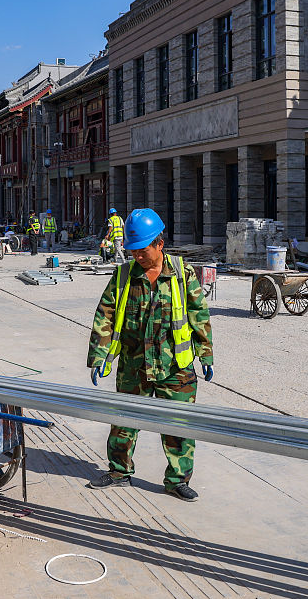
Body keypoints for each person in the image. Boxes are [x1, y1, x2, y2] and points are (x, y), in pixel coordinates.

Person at [86, 208, 213, 502]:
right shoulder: (123, 276)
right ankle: (119, 471)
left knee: (179, 424)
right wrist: (98, 355)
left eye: (142, 251)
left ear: (159, 243)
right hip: (134, 364)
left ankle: (177, 480)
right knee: (124, 421)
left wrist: (205, 354)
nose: (137, 257)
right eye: (132, 252)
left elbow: (199, 315)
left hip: (176, 367)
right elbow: (104, 315)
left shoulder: (182, 273)